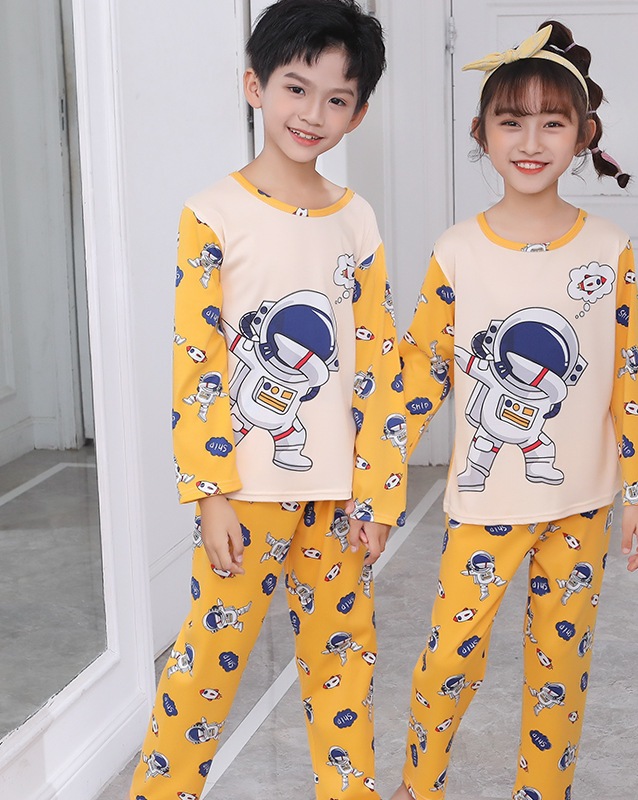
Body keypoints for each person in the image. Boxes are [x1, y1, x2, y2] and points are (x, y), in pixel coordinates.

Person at [390, 20, 638, 800]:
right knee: (450, 658)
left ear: (584, 135)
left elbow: (629, 375)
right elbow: (421, 371)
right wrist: (376, 473)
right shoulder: (457, 249)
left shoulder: (607, 247)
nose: (530, 141)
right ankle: (418, 787)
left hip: (580, 504)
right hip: (483, 504)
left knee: (560, 667)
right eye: (511, 121)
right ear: (481, 132)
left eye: (553, 122)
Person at [129, 2, 406, 798]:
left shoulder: (357, 220)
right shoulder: (212, 214)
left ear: (358, 112)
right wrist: (210, 491)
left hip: (340, 497)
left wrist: (380, 490)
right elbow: (197, 365)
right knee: (204, 671)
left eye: (336, 98)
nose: (312, 113)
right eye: (295, 88)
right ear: (254, 86)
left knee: (343, 664)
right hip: (246, 493)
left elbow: (378, 363)